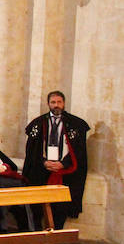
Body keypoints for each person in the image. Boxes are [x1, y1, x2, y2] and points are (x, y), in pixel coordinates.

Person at [23, 91, 90, 228]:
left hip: (64, 170)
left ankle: (57, 230)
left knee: (61, 204)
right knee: (38, 202)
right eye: (53, 102)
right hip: (42, 169)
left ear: (64, 103)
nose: (56, 105)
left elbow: (79, 151)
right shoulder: (38, 123)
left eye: (59, 102)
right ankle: (37, 231)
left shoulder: (75, 124)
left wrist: (63, 164)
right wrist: (43, 162)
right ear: (48, 104)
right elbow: (32, 150)